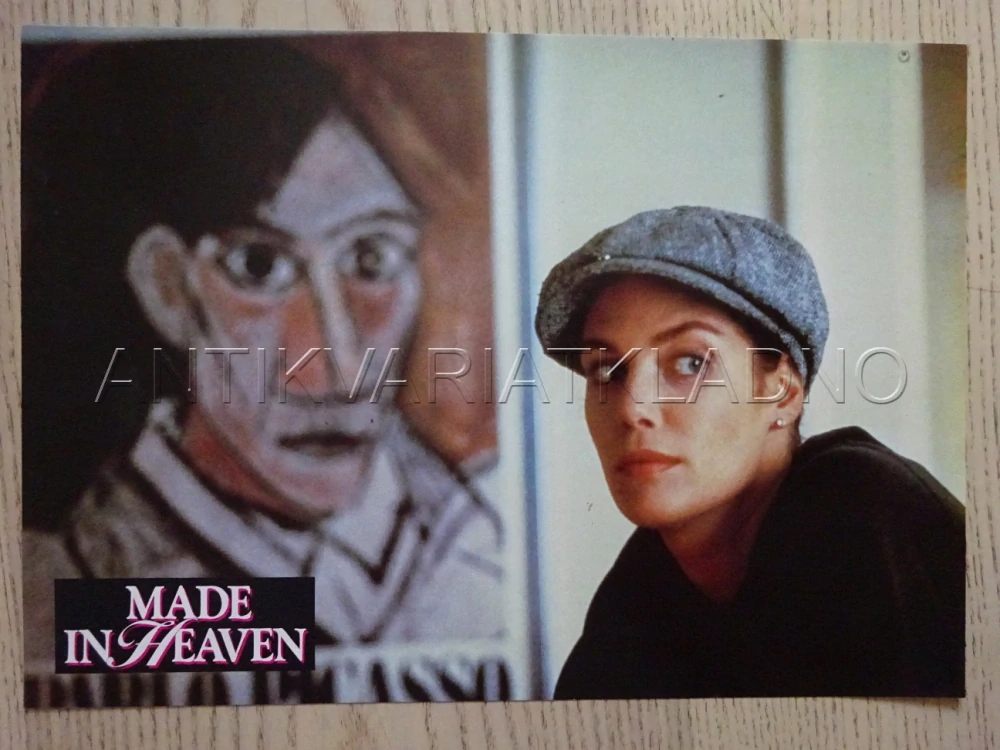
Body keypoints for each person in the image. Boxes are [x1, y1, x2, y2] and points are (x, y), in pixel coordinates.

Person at [22, 37, 508, 707]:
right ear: (167, 287)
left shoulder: (483, 541)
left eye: (371, 257)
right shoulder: (71, 580)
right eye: (258, 267)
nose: (338, 366)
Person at [534, 206, 965, 699]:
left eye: (690, 362)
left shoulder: (861, 508)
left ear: (781, 392)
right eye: (607, 370)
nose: (633, 409)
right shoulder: (637, 593)